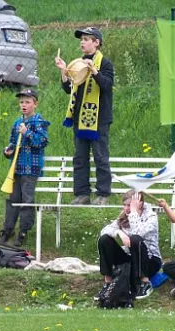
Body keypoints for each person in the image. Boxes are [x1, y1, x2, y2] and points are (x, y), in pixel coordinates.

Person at [54, 27, 114, 206]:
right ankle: (82, 194)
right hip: (80, 118)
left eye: (87, 39)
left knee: (100, 156)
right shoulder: (77, 63)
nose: (82, 42)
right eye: (81, 39)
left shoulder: (105, 63)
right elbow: (69, 89)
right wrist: (64, 71)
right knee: (79, 158)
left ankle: (103, 194)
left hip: (99, 119)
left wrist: (95, 71)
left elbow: (107, 85)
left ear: (97, 43)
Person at [0, 89, 49, 247]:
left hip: (31, 169)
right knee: (13, 199)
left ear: (35, 103)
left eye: (27, 102)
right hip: (17, 168)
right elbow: (13, 142)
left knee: (27, 200)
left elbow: (41, 142)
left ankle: (23, 231)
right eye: (21, 102)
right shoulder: (16, 123)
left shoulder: (39, 122)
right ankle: (8, 229)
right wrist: (8, 150)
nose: (24, 105)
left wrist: (27, 133)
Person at [95, 190, 162, 301]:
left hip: (150, 260)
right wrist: (119, 233)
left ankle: (144, 282)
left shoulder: (151, 217)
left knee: (135, 239)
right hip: (130, 259)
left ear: (139, 204)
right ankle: (108, 282)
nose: (126, 208)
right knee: (104, 239)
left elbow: (138, 233)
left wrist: (134, 213)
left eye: (129, 205)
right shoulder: (123, 217)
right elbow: (104, 230)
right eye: (124, 205)